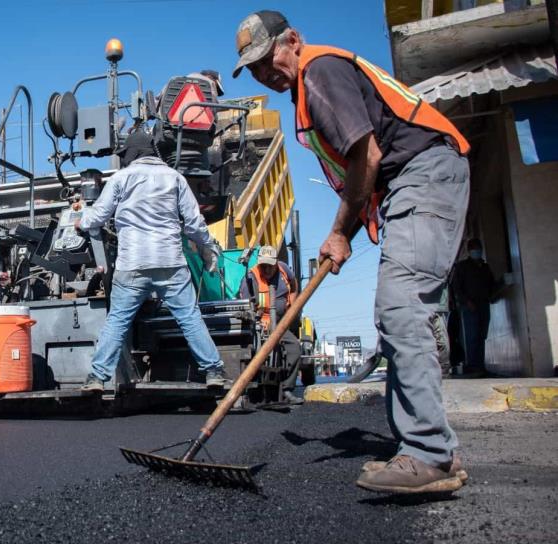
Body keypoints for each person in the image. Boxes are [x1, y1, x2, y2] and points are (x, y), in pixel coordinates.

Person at [232, 10, 470, 494]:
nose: (263, 73)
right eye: (253, 68)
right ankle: (424, 449)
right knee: (395, 311)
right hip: (409, 182)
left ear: (293, 40)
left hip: (423, 175)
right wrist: (344, 234)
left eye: (266, 58)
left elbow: (368, 158)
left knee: (401, 308)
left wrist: (340, 231)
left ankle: (429, 455)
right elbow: (368, 176)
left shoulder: (319, 71)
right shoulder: (309, 90)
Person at [74, 129, 226, 391]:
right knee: (189, 317)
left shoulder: (121, 178)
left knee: (118, 321)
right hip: (170, 262)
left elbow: (97, 216)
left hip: (132, 263)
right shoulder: (174, 178)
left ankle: (98, 378)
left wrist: (81, 220)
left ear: (132, 153)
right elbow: (193, 223)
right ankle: (213, 371)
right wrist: (207, 246)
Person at [238, 245, 302, 396]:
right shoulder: (251, 278)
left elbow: (293, 286)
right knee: (252, 351)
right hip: (259, 324)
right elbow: (246, 306)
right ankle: (251, 388)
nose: (266, 270)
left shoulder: (284, 270)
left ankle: (287, 389)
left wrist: (292, 306)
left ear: (276, 263)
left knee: (294, 348)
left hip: (280, 323)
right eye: (263, 266)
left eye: (270, 266)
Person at [452, 239, 498, 372]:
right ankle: (473, 365)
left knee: (482, 335)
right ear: (469, 250)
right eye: (474, 248)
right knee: (471, 336)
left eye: (478, 248)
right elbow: (457, 287)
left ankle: (480, 365)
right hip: (469, 306)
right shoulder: (462, 267)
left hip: (483, 304)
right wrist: (466, 302)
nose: (476, 251)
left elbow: (491, 284)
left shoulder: (485, 267)